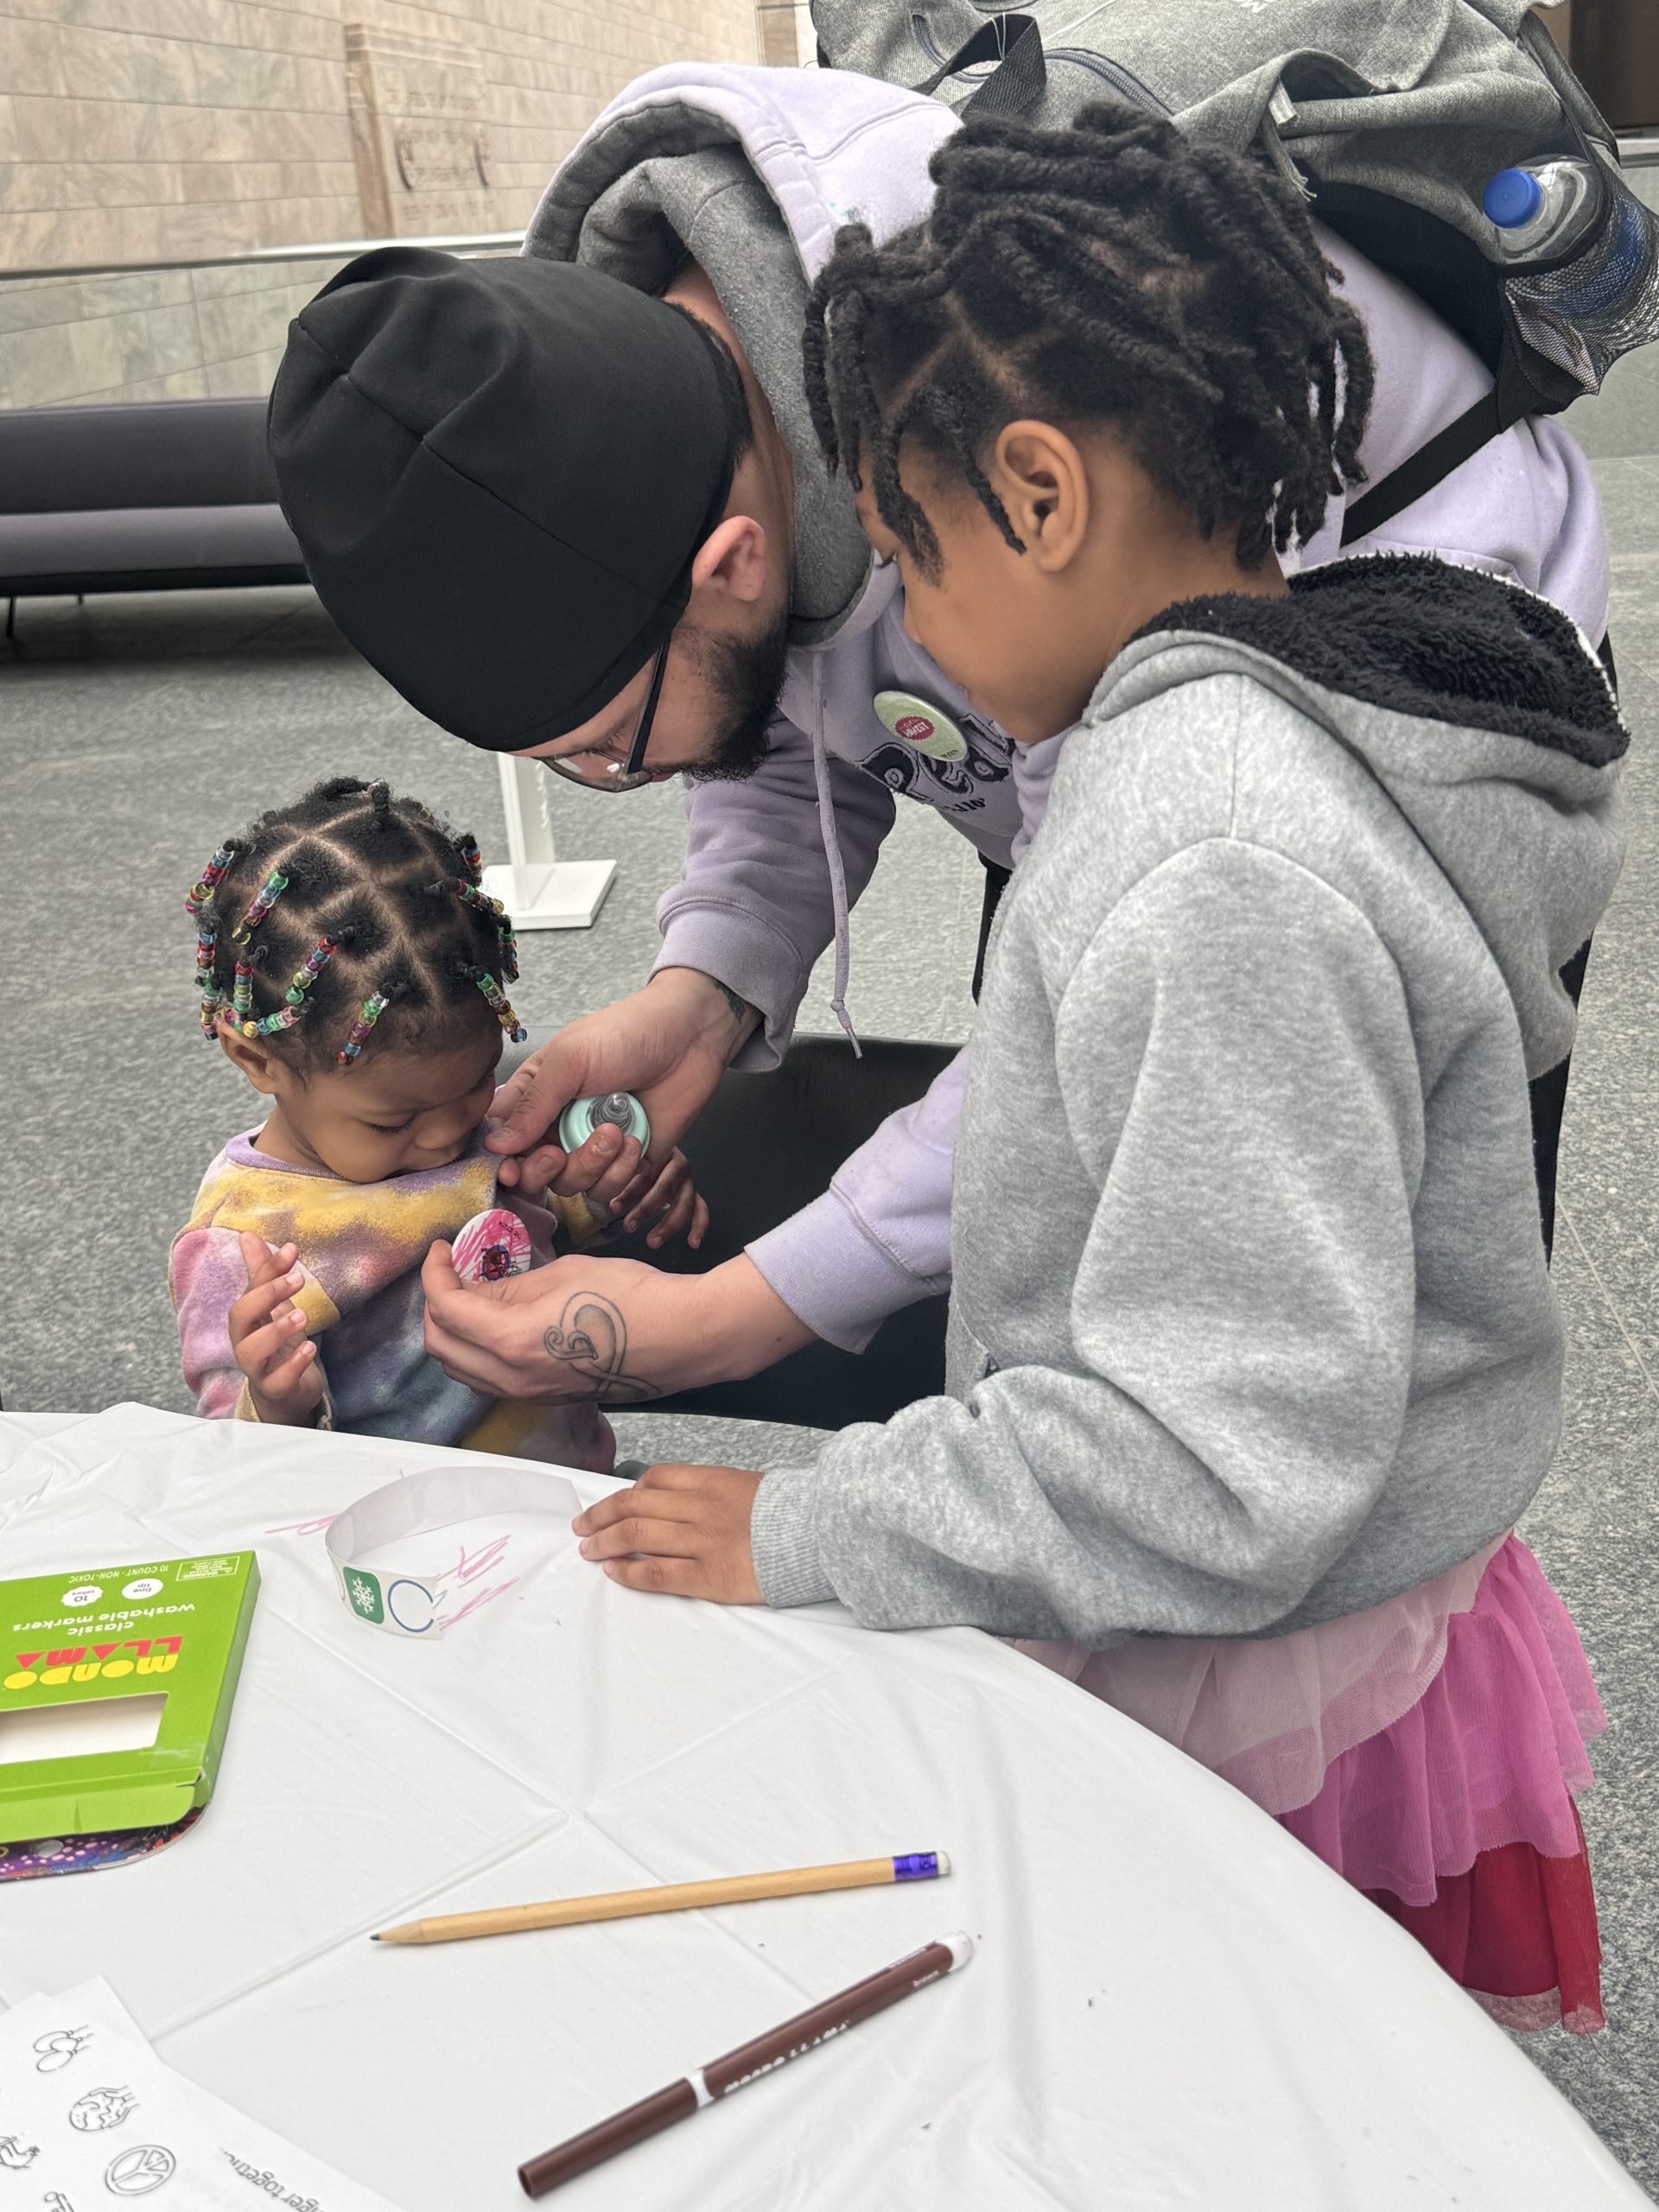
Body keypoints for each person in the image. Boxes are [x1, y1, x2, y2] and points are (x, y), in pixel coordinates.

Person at [564, 106, 1626, 2030]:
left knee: (1239, 2070)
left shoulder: (1205, 855)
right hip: (1342, 1591)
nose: (905, 624)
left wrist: (803, 1523)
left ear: (1040, 498)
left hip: (1266, 1663)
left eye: (902, 550)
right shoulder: (1264, 720)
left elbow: (1213, 1463)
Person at [265, 62, 1611, 1411]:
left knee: (1365, 1321)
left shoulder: (1023, 412)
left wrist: (746, 1317)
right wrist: (706, 992)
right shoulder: (675, 430)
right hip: (1141, 737)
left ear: (736, 560)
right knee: (1066, 1257)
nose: (627, 779)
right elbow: (768, 706)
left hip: (1405, 721)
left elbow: (1062, 1044)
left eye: (609, 749)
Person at [168, 775, 702, 1461]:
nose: (451, 1137)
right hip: (399, 1548)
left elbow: (539, 1227)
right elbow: (233, 1463)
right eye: (395, 1122)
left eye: (483, 1080)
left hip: (575, 1503)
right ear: (257, 1059)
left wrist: (614, 1182)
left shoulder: (468, 1122)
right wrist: (274, 1407)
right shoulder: (243, 1242)